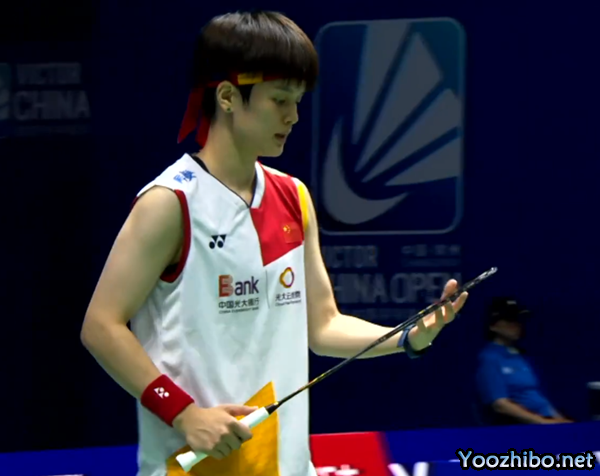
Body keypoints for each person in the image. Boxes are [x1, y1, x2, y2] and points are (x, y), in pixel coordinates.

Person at [80, 10, 469, 476]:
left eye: (298, 101)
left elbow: (323, 327)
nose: (294, 116)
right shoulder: (171, 202)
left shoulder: (293, 197)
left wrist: (406, 337)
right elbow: (101, 326)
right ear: (228, 96)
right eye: (280, 99)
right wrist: (183, 413)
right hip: (193, 468)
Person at [475, 297, 572, 425]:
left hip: (545, 422)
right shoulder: (489, 359)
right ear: (493, 325)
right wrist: (543, 423)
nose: (516, 325)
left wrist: (560, 421)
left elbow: (535, 398)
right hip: (521, 428)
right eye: (510, 320)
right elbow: (500, 404)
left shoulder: (519, 356)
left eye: (518, 320)